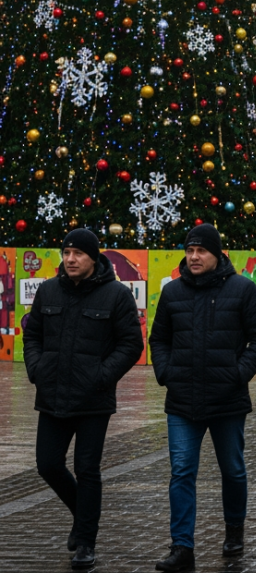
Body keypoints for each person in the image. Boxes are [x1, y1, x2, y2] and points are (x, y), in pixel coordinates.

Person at [149, 224, 256, 571]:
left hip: (227, 400)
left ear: (217, 254)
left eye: (201, 251)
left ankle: (234, 528)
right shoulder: (172, 292)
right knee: (181, 472)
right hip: (182, 400)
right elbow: (159, 339)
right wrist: (166, 372)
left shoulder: (242, 289)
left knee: (232, 470)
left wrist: (237, 374)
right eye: (189, 251)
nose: (194, 257)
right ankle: (182, 547)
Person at [25, 229, 143, 570]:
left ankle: (86, 543)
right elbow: (32, 335)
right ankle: (83, 516)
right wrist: (37, 369)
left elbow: (131, 344)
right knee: (48, 464)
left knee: (87, 469)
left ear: (93, 257)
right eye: (66, 253)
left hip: (94, 399)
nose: (70, 259)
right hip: (52, 394)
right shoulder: (48, 290)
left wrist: (102, 376)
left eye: (78, 253)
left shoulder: (116, 295)